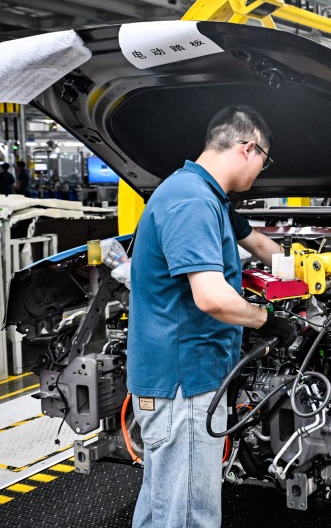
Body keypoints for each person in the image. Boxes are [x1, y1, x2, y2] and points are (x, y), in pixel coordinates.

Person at [129, 105, 297, 528]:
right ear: (247, 147)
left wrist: (307, 267)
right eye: (264, 159)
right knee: (189, 515)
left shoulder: (203, 195)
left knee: (163, 505)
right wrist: (266, 320)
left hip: (178, 375)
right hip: (183, 381)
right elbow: (211, 298)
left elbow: (257, 242)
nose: (261, 170)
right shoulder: (192, 201)